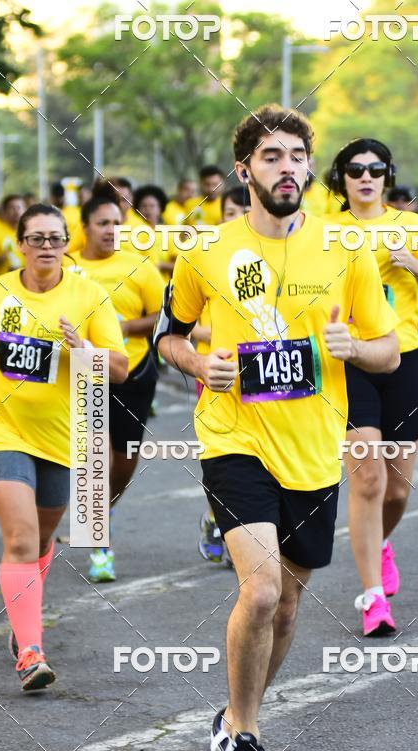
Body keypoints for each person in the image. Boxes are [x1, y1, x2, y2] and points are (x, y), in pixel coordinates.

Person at [155, 104, 399, 751]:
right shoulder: (208, 251)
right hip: (235, 438)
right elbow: (169, 338)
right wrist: (201, 364)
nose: (286, 166)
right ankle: (247, 736)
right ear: (245, 170)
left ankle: (232, 716)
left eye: (296, 155)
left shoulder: (345, 249)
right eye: (271, 156)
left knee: (287, 610)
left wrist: (355, 348)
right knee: (259, 591)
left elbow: (387, 349)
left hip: (315, 451)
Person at [0, 203, 127, 690]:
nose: (45, 247)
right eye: (35, 238)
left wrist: (86, 353)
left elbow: (120, 368)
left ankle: (24, 625)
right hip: (1, 428)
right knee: (18, 539)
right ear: (19, 244)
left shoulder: (89, 295)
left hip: (65, 437)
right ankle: (31, 652)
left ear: (67, 244)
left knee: (40, 541)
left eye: (54, 238)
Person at [328, 138, 418, 634]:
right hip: (350, 361)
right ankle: (373, 598)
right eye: (355, 169)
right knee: (367, 479)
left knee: (398, 492)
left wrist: (414, 265)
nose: (366, 176)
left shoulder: (412, 228)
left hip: (404, 361)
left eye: (375, 168)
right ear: (341, 179)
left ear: (386, 175)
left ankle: (380, 543)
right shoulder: (324, 233)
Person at [68, 196, 165, 582]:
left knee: (124, 462)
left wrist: (121, 329)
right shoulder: (68, 267)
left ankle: (101, 509)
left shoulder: (138, 266)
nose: (111, 230)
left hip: (135, 371)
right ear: (85, 226)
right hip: (85, 373)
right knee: (98, 455)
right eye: (102, 223)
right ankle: (100, 544)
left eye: (116, 223)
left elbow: (162, 315)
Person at [195, 185, 251, 565]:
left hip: (267, 373)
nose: (238, 219)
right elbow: (180, 328)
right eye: (231, 211)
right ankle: (220, 517)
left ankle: (243, 523)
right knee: (223, 450)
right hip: (215, 370)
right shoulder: (205, 256)